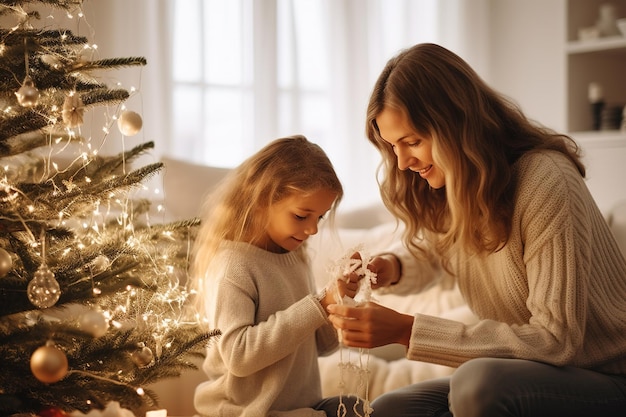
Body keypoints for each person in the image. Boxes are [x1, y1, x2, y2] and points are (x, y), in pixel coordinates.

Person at [326, 43, 626, 416]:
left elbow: (556, 340)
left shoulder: (546, 181)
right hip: (526, 372)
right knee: (391, 409)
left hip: (605, 375)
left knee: (477, 383)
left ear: (456, 125)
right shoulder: (460, 184)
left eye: (413, 142)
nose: (402, 162)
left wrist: (405, 330)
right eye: (393, 147)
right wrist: (387, 266)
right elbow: (436, 251)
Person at [191, 135, 365, 417]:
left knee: (359, 409)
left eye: (319, 218)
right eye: (301, 216)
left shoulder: (295, 256)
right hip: (245, 411)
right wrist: (319, 304)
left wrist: (340, 298)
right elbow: (239, 356)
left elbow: (321, 346)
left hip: (299, 407)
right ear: (261, 200)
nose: (313, 230)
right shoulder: (233, 265)